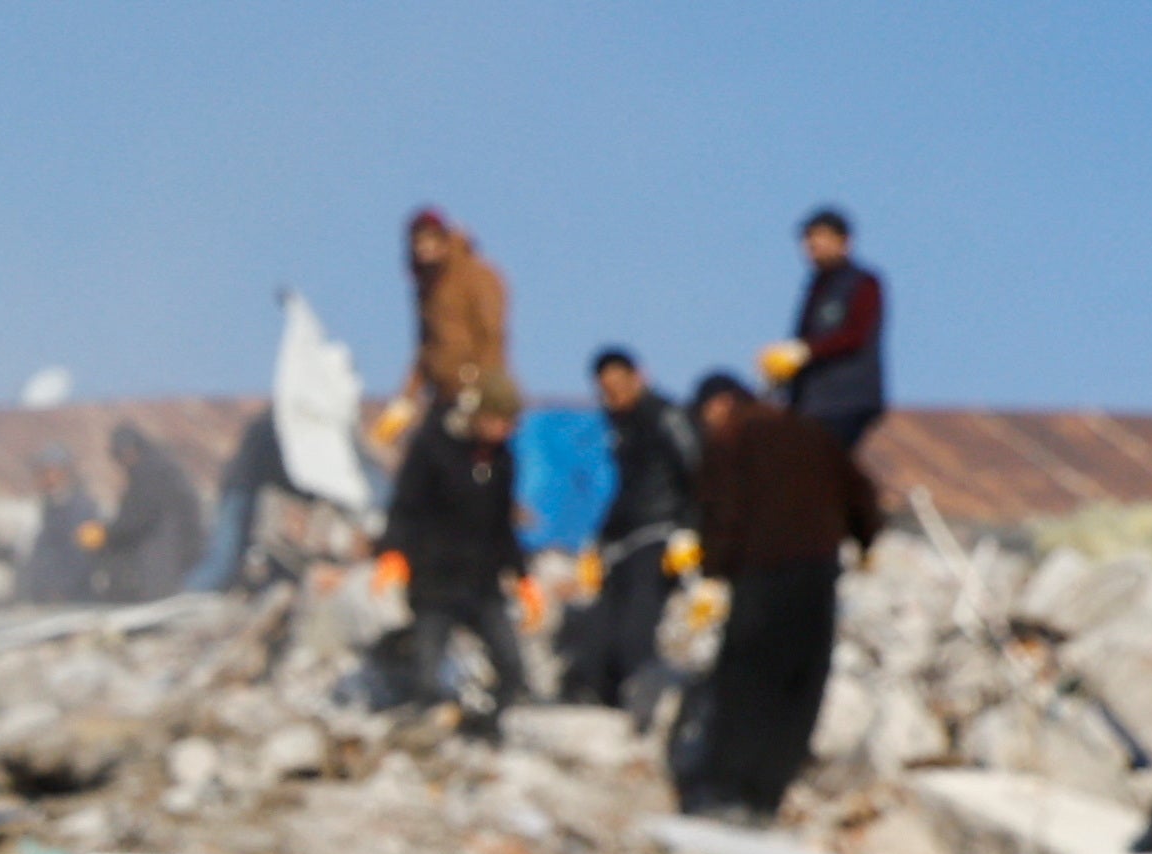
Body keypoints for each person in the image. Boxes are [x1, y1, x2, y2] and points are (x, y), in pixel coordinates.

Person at [682, 370, 886, 817]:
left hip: (761, 576)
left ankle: (726, 789)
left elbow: (720, 508)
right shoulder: (810, 432)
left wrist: (713, 572)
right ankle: (766, 794)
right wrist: (866, 540)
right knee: (799, 684)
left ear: (719, 405)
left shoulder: (730, 440)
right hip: (817, 575)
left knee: (745, 682)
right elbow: (862, 494)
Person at [377, 377, 534, 735]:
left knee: (512, 667)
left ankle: (486, 729)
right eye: (496, 420)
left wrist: (522, 576)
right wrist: (393, 552)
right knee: (428, 671)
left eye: (509, 423)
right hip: (435, 580)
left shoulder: (503, 460)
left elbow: (501, 525)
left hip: (483, 583)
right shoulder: (434, 447)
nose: (502, 430)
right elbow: (405, 506)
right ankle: (425, 736)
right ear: (478, 416)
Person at [564, 349, 699, 709]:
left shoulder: (665, 417)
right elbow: (623, 490)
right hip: (622, 542)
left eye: (619, 386)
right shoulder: (615, 428)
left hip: (658, 535)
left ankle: (642, 704)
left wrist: (688, 529)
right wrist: (601, 540)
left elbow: (696, 470)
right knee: (598, 629)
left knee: (635, 631)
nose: (613, 396)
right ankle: (601, 704)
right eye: (605, 390)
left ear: (637, 378)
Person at [374, 207, 509, 451]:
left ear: (444, 240)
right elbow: (425, 350)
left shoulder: (476, 275)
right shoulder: (425, 288)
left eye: (430, 239)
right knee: (422, 460)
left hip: (475, 395)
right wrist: (403, 404)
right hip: (441, 396)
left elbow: (492, 337)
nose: (424, 247)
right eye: (418, 241)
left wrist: (482, 393)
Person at [761, 207, 888, 450]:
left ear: (844, 242)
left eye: (821, 238)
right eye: (809, 239)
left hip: (847, 400)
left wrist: (806, 350)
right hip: (810, 402)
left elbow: (856, 334)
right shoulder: (816, 286)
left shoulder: (864, 283)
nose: (814, 246)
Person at [188, 401, 308, 594]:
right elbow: (275, 468)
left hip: (242, 488)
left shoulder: (268, 423)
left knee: (236, 545)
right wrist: (305, 492)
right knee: (227, 547)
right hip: (240, 490)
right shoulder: (271, 426)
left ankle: (214, 587)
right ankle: (197, 591)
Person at [89, 423, 204, 603]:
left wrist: (106, 534)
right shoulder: (156, 468)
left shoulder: (151, 471)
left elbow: (137, 518)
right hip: (171, 547)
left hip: (168, 550)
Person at [19, 444, 102, 603]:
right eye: (40, 473)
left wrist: (61, 589)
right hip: (46, 596)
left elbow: (81, 555)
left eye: (49, 472)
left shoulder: (81, 507)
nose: (45, 479)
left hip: (72, 598)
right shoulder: (50, 505)